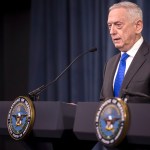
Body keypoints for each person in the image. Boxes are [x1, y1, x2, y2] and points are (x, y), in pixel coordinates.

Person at [100, 1, 150, 103]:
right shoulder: (110, 64)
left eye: (118, 25)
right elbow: (103, 101)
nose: (112, 32)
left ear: (138, 26)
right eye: (110, 26)